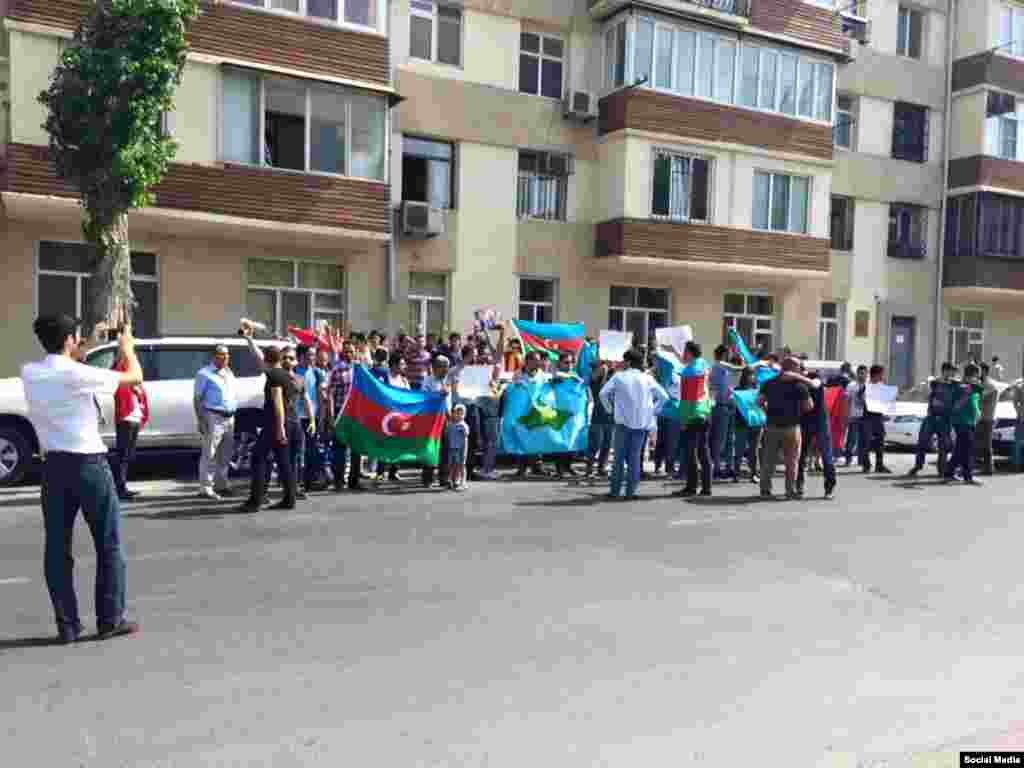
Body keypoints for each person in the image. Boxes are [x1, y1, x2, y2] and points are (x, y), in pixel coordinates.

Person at [22, 315, 142, 642]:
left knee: (57, 549)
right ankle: (110, 619)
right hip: (89, 464)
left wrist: (89, 338)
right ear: (70, 340)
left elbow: (68, 361)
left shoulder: (31, 372)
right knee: (108, 544)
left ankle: (68, 626)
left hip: (53, 467)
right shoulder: (76, 373)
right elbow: (133, 377)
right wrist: (126, 345)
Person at [599, 348, 669, 500]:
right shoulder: (647, 378)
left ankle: (615, 491)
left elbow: (603, 394)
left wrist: (610, 409)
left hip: (622, 424)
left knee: (618, 459)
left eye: (624, 360)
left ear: (628, 362)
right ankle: (631, 492)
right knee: (635, 459)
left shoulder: (619, 377)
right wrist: (652, 411)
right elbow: (664, 397)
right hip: (641, 425)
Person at [239, 336, 299, 512]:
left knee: (258, 458)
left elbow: (278, 404)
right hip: (288, 422)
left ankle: (255, 501)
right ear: (279, 359)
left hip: (275, 423)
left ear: (266, 359)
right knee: (284, 462)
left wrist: (280, 429)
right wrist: (249, 339)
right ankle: (289, 499)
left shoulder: (273, 376)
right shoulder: (286, 375)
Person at [758, 357, 812, 500]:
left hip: (772, 426)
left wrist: (767, 412)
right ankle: (790, 490)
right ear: (794, 368)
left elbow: (759, 401)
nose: (800, 370)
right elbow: (808, 406)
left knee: (768, 460)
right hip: (792, 427)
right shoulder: (800, 386)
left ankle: (765, 489)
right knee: (792, 461)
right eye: (799, 367)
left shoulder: (769, 383)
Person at [194, 344, 238, 500]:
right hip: (213, 417)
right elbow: (197, 399)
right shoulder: (204, 374)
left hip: (229, 418)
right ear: (214, 356)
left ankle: (222, 484)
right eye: (221, 354)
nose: (225, 357)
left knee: (225, 455)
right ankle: (205, 488)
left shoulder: (229, 373)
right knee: (209, 454)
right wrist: (201, 420)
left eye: (227, 355)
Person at [673, 341, 713, 498]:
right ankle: (706, 487)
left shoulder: (690, 372)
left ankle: (691, 487)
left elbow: (688, 398)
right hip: (705, 412)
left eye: (684, 351)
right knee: (704, 451)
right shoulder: (703, 364)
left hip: (693, 414)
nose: (683, 354)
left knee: (690, 453)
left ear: (689, 353)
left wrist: (683, 419)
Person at [108, 348, 149, 501]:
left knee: (127, 455)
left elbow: (140, 390)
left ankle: (123, 486)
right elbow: (116, 379)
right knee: (122, 455)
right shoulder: (118, 372)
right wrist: (122, 356)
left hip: (135, 416)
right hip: (125, 417)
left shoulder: (131, 374)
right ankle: (119, 488)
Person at [794, 367, 836, 500]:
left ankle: (825, 488)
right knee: (807, 455)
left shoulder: (809, 380)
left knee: (820, 455)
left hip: (815, 421)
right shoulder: (801, 383)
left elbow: (816, 383)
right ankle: (803, 486)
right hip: (812, 421)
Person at [907, 362, 955, 478]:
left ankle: (942, 469)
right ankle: (918, 465)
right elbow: (926, 394)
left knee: (943, 446)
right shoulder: (934, 382)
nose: (952, 373)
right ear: (944, 371)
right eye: (950, 371)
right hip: (932, 417)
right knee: (922, 442)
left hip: (945, 419)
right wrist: (925, 388)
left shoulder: (953, 384)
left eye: (952, 371)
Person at [327, 340, 363, 492]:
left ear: (355, 353)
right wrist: (331, 416)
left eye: (351, 351)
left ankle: (354, 481)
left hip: (357, 414)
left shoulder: (360, 370)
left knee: (356, 449)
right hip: (340, 412)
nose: (349, 354)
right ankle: (338, 481)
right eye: (346, 351)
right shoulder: (336, 370)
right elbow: (330, 394)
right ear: (342, 353)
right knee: (340, 449)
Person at [512, 351, 549, 479]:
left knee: (537, 438)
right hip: (522, 412)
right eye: (535, 360)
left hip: (537, 412)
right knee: (522, 439)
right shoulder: (518, 374)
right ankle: (522, 467)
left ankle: (537, 466)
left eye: (539, 360)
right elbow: (514, 390)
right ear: (527, 361)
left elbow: (546, 391)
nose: (538, 363)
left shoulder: (543, 376)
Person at [945, 363, 984, 486]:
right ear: (971, 375)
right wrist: (966, 394)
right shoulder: (960, 387)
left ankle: (949, 472)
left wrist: (977, 413)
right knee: (967, 450)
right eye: (977, 376)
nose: (978, 379)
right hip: (962, 422)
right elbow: (956, 406)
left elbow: (974, 403)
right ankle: (968, 476)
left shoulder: (971, 387)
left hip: (969, 422)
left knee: (960, 449)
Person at [294, 345, 326, 493]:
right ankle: (295, 483)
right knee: (298, 451)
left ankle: (309, 481)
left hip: (311, 417)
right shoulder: (293, 372)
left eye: (314, 355)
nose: (312, 358)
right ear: (300, 356)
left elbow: (321, 396)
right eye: (309, 355)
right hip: (296, 417)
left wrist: (321, 418)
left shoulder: (317, 372)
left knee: (311, 450)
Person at [709, 344, 742, 480]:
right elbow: (738, 368)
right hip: (721, 406)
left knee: (729, 439)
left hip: (729, 405)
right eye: (727, 353)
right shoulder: (718, 364)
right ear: (722, 354)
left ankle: (728, 467)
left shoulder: (725, 367)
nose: (729, 356)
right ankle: (716, 467)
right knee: (720, 439)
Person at [421, 355, 453, 488]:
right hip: (431, 419)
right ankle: (427, 478)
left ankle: (443, 478)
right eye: (443, 366)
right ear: (435, 367)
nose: (446, 369)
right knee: (431, 448)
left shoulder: (447, 380)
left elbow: (448, 400)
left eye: (447, 366)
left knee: (445, 449)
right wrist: (439, 394)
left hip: (445, 418)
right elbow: (425, 398)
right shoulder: (427, 381)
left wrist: (450, 413)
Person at [552, 350, 582, 479]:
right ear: (560, 363)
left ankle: (568, 466)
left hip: (573, 414)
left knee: (571, 440)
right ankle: (559, 468)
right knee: (560, 441)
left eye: (571, 362)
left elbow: (582, 387)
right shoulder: (557, 375)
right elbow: (555, 377)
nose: (569, 365)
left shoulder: (575, 375)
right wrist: (570, 377)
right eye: (566, 362)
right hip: (559, 413)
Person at [732, 366, 763, 484]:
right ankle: (736, 473)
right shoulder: (738, 389)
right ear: (744, 376)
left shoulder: (758, 389)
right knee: (739, 449)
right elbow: (735, 404)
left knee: (754, 450)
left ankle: (754, 474)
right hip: (741, 423)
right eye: (749, 374)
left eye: (753, 374)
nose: (752, 377)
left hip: (756, 423)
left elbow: (762, 404)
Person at [859, 364, 892, 474]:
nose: (883, 376)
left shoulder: (881, 386)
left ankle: (879, 465)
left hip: (878, 417)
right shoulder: (867, 386)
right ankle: (866, 465)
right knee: (866, 442)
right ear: (876, 375)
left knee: (880, 441)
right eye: (882, 374)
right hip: (868, 417)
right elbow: (860, 399)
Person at [586, 360, 614, 478]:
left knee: (607, 444)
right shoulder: (595, 380)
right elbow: (595, 379)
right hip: (598, 416)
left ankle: (601, 467)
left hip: (611, 416)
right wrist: (604, 367)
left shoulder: (613, 377)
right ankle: (589, 468)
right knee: (595, 443)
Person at [976, 362, 1000, 476]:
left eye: (979, 371)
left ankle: (989, 468)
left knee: (986, 444)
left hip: (987, 418)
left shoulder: (989, 384)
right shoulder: (984, 383)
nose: (977, 374)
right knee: (980, 444)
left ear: (984, 371)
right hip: (982, 418)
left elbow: (980, 398)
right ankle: (985, 467)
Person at [844, 365, 867, 466]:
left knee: (863, 439)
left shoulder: (870, 386)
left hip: (866, 416)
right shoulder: (851, 385)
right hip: (854, 415)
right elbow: (846, 400)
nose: (862, 375)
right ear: (857, 373)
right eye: (860, 373)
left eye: (864, 373)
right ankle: (848, 459)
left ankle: (861, 460)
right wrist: (847, 415)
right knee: (851, 439)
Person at [447, 403, 471, 491]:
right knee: (452, 465)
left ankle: (462, 481)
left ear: (464, 415)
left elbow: (466, 434)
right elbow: (447, 434)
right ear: (453, 414)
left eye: (461, 414)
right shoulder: (449, 424)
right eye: (457, 413)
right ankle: (452, 480)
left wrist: (462, 428)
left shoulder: (463, 425)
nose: (459, 416)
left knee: (461, 465)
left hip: (461, 448)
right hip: (451, 448)